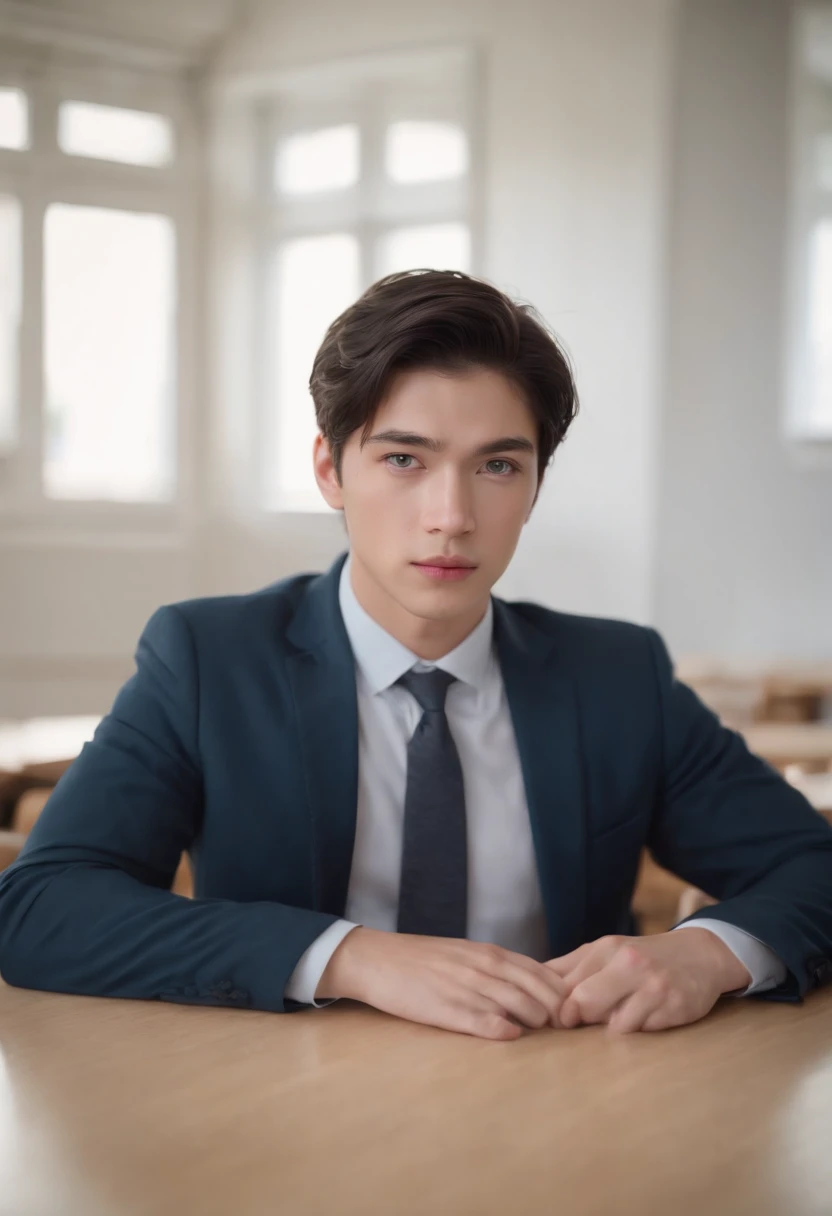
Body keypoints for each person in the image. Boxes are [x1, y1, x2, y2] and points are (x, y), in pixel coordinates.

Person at [2, 270, 832, 1042]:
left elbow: (812, 867)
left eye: (498, 466)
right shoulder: (210, 661)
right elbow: (40, 907)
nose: (452, 515)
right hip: (282, 1111)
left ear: (535, 485)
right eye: (404, 459)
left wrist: (710, 950)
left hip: (564, 1109)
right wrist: (350, 956)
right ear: (331, 469)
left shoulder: (617, 677)